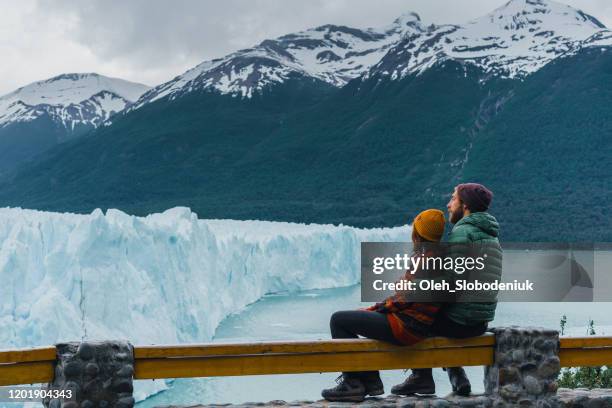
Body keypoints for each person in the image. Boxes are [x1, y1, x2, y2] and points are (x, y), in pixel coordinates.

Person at [321, 209, 447, 403]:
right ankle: (371, 380)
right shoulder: (440, 258)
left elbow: (403, 299)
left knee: (339, 320)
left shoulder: (425, 261)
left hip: (406, 327)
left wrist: (375, 309)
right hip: (419, 325)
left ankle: (354, 382)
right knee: (357, 318)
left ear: (418, 232)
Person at [390, 183, 502, 397]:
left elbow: (450, 285)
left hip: (461, 323)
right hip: (480, 321)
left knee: (417, 319)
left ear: (465, 205)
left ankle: (421, 378)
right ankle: (456, 374)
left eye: (453, 199)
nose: (448, 205)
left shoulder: (462, 232)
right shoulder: (491, 235)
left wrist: (410, 287)